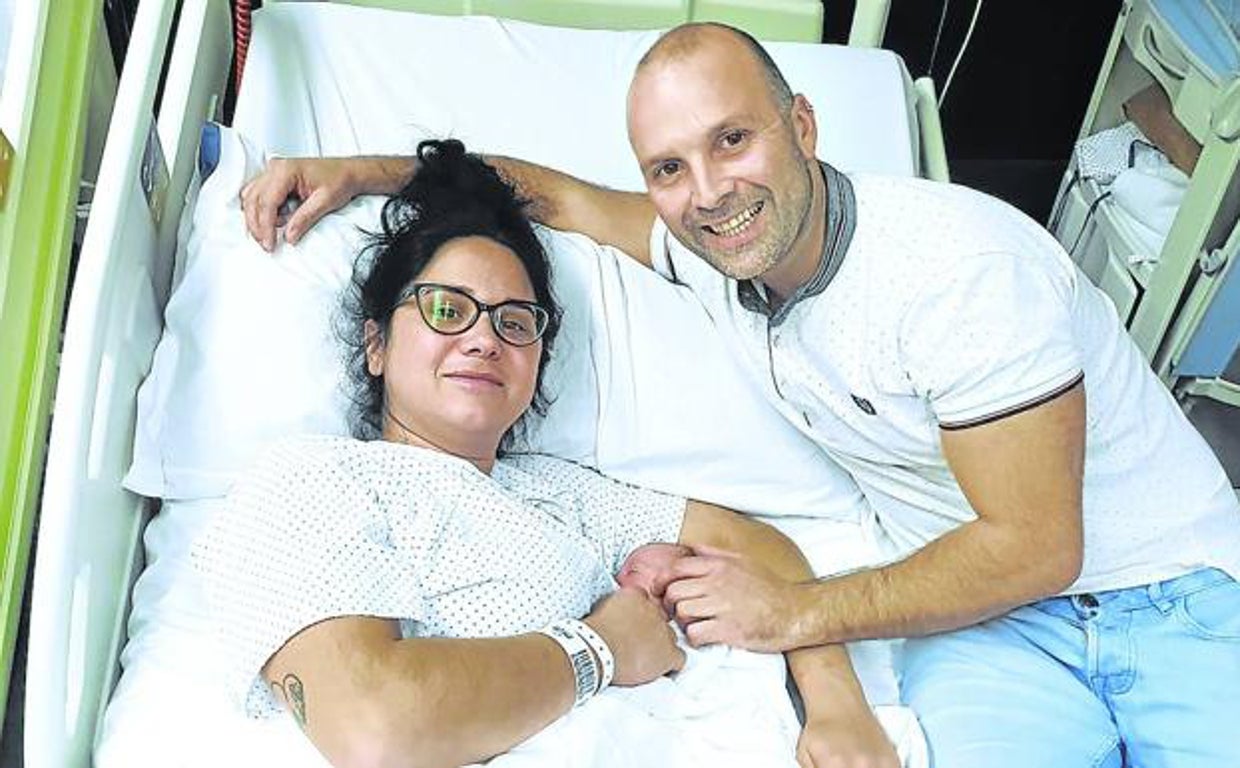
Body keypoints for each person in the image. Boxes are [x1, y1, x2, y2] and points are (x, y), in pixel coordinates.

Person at [239, 22, 1240, 768]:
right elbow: (550, 198)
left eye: (732, 142)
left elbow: (1031, 546)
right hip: (986, 624)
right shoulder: (709, 257)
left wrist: (806, 639)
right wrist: (365, 169)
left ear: (801, 124)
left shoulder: (956, 272)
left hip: (1173, 593)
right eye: (669, 168)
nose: (708, 192)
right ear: (374, 343)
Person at [200, 138, 898, 768]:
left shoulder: (559, 493)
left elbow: (759, 547)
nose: (482, 340)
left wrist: (838, 706)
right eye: (448, 310)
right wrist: (600, 649)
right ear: (376, 343)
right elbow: (374, 727)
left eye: (514, 322)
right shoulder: (313, 479)